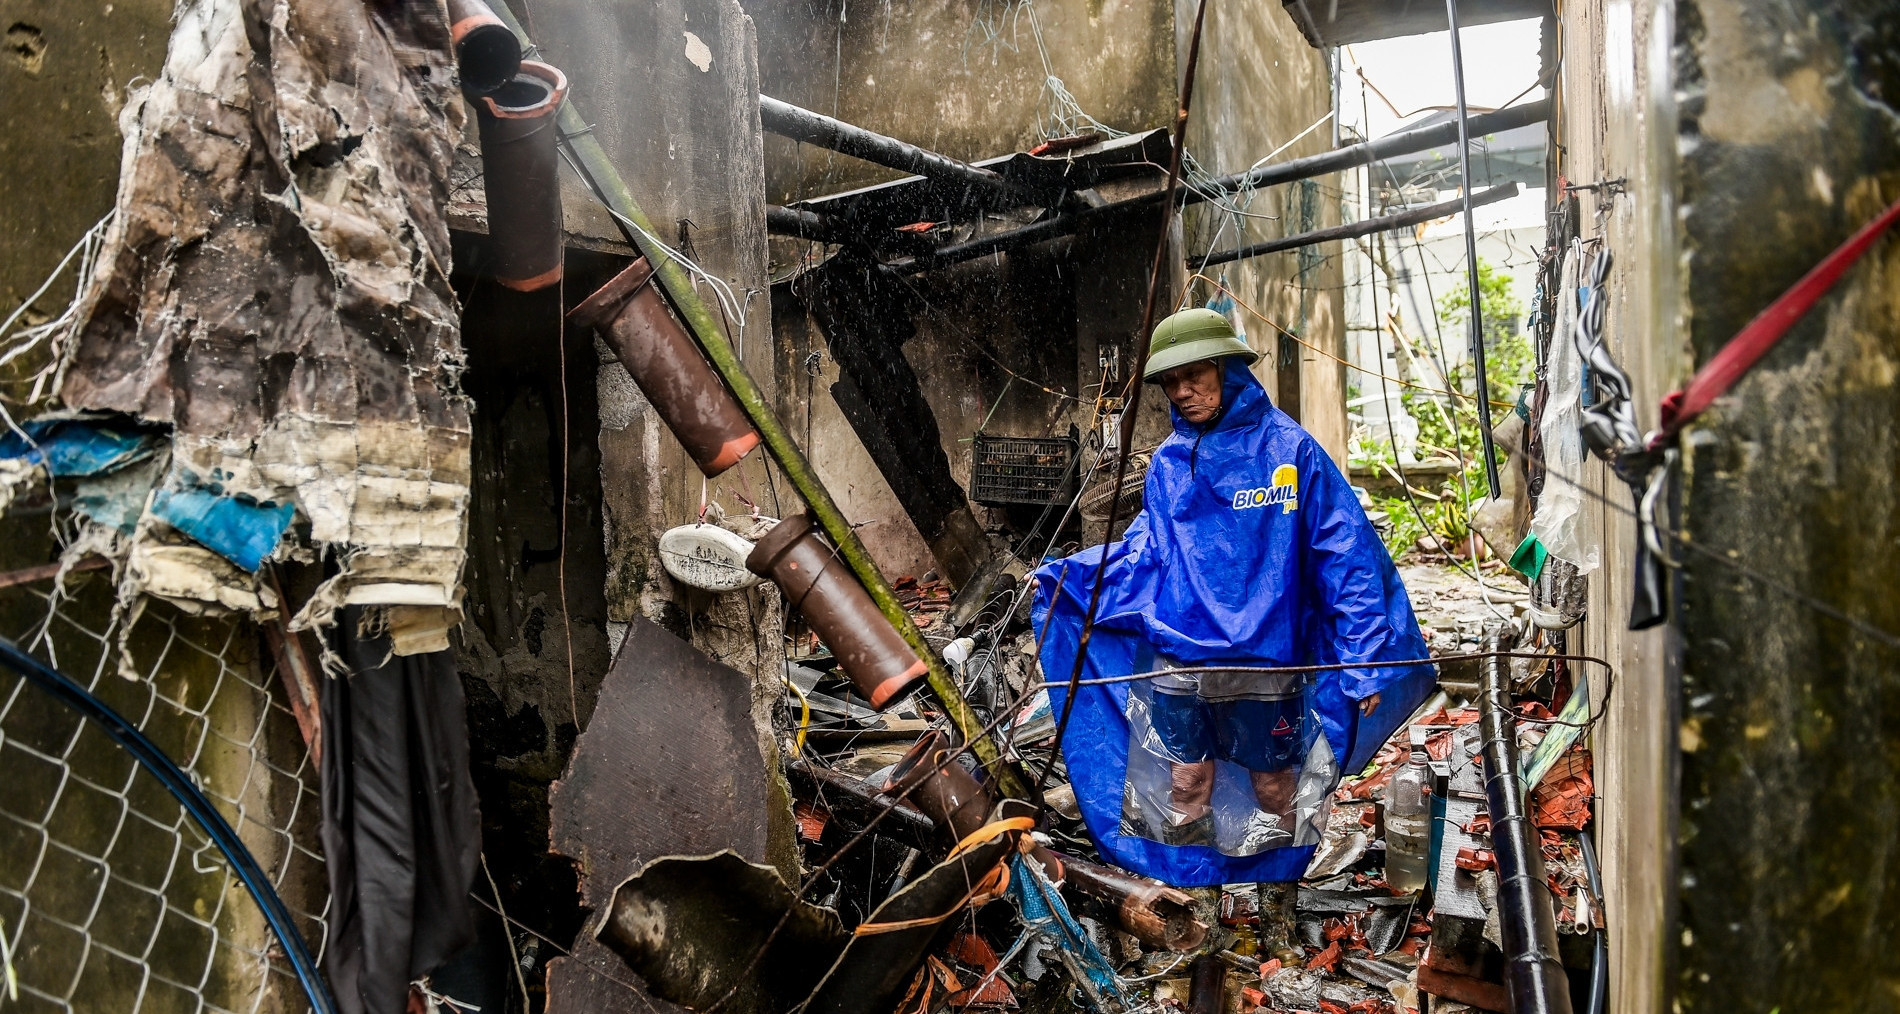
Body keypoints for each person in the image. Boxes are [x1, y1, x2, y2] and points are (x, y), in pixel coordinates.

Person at [1032, 306, 1432, 883]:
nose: (1183, 391)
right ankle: (1192, 897)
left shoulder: (1290, 453)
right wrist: (1069, 579)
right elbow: (1146, 554)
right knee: (1186, 783)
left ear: (1228, 369)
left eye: (1195, 375)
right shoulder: (1168, 464)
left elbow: (1344, 556)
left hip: (1265, 666)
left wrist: (1365, 658)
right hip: (1180, 663)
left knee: (1275, 788)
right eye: (1171, 382)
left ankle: (1277, 895)